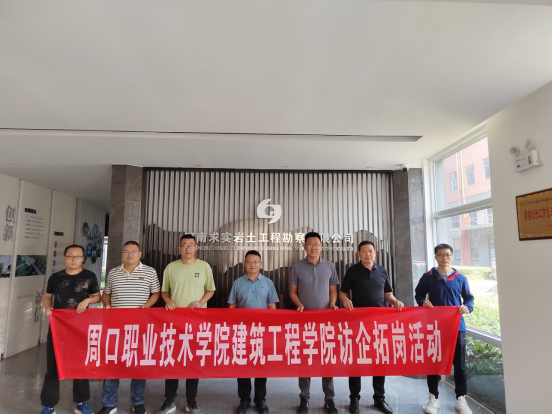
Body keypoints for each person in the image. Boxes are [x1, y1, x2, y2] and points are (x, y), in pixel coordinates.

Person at [339, 241, 403, 414]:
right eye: (364, 251)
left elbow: (388, 294)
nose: (367, 254)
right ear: (358, 254)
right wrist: (345, 300)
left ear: (375, 253)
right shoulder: (352, 271)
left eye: (370, 251)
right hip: (358, 323)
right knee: (356, 362)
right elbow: (342, 293)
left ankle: (379, 398)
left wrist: (394, 301)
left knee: (379, 361)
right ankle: (354, 398)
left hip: (378, 324)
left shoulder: (382, 271)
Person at [98, 241, 160, 414]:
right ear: (122, 254)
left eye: (133, 251)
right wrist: (107, 305)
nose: (130, 254)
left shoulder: (150, 272)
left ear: (140, 254)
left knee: (138, 365)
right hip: (115, 327)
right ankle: (109, 403)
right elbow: (106, 293)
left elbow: (156, 292)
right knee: (112, 364)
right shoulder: (113, 273)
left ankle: (137, 402)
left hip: (140, 327)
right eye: (126, 251)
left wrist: (147, 306)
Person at [157, 234, 216, 414]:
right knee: (172, 361)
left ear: (196, 247)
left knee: (193, 361)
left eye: (191, 245)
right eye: (184, 245)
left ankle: (191, 401)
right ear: (179, 248)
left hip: (197, 323)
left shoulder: (204, 266)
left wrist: (201, 301)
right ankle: (169, 401)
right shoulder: (171, 267)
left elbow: (210, 290)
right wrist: (168, 301)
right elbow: (164, 291)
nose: (188, 248)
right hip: (175, 322)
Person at [39, 244, 101, 414]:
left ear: (83, 259)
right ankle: (48, 405)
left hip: (80, 328)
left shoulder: (89, 276)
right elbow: (47, 296)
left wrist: (87, 300)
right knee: (53, 365)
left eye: (78, 256)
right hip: (58, 327)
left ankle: (81, 403)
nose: (74, 259)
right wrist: (48, 308)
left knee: (80, 364)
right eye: (70, 256)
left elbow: (97, 297)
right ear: (64, 258)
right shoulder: (56, 277)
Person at [415, 244, 475, 414]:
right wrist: (422, 302)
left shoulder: (460, 278)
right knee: (434, 363)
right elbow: (419, 294)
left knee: (460, 365)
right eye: (441, 255)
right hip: (434, 327)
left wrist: (467, 307)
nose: (444, 258)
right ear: (436, 257)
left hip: (457, 327)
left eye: (447, 255)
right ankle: (433, 397)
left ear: (452, 257)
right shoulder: (428, 277)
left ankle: (461, 399)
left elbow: (469, 298)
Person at [290, 231, 339, 414]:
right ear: (304, 246)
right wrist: (298, 304)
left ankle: (329, 399)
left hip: (326, 321)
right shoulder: (297, 267)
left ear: (321, 246)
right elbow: (292, 291)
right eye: (309, 244)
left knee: (327, 359)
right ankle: (304, 398)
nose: (313, 247)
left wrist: (332, 303)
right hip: (305, 321)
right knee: (306, 360)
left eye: (316, 244)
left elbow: (333, 290)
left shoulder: (330, 266)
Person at [228, 250, 279, 414]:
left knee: (260, 366)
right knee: (242, 366)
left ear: (261, 264)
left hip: (262, 332)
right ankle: (244, 400)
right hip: (242, 332)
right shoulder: (237, 283)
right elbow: (232, 307)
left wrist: (271, 330)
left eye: (256, 261)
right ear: (244, 264)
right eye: (249, 261)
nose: (252, 264)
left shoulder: (268, 283)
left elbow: (272, 306)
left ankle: (260, 400)